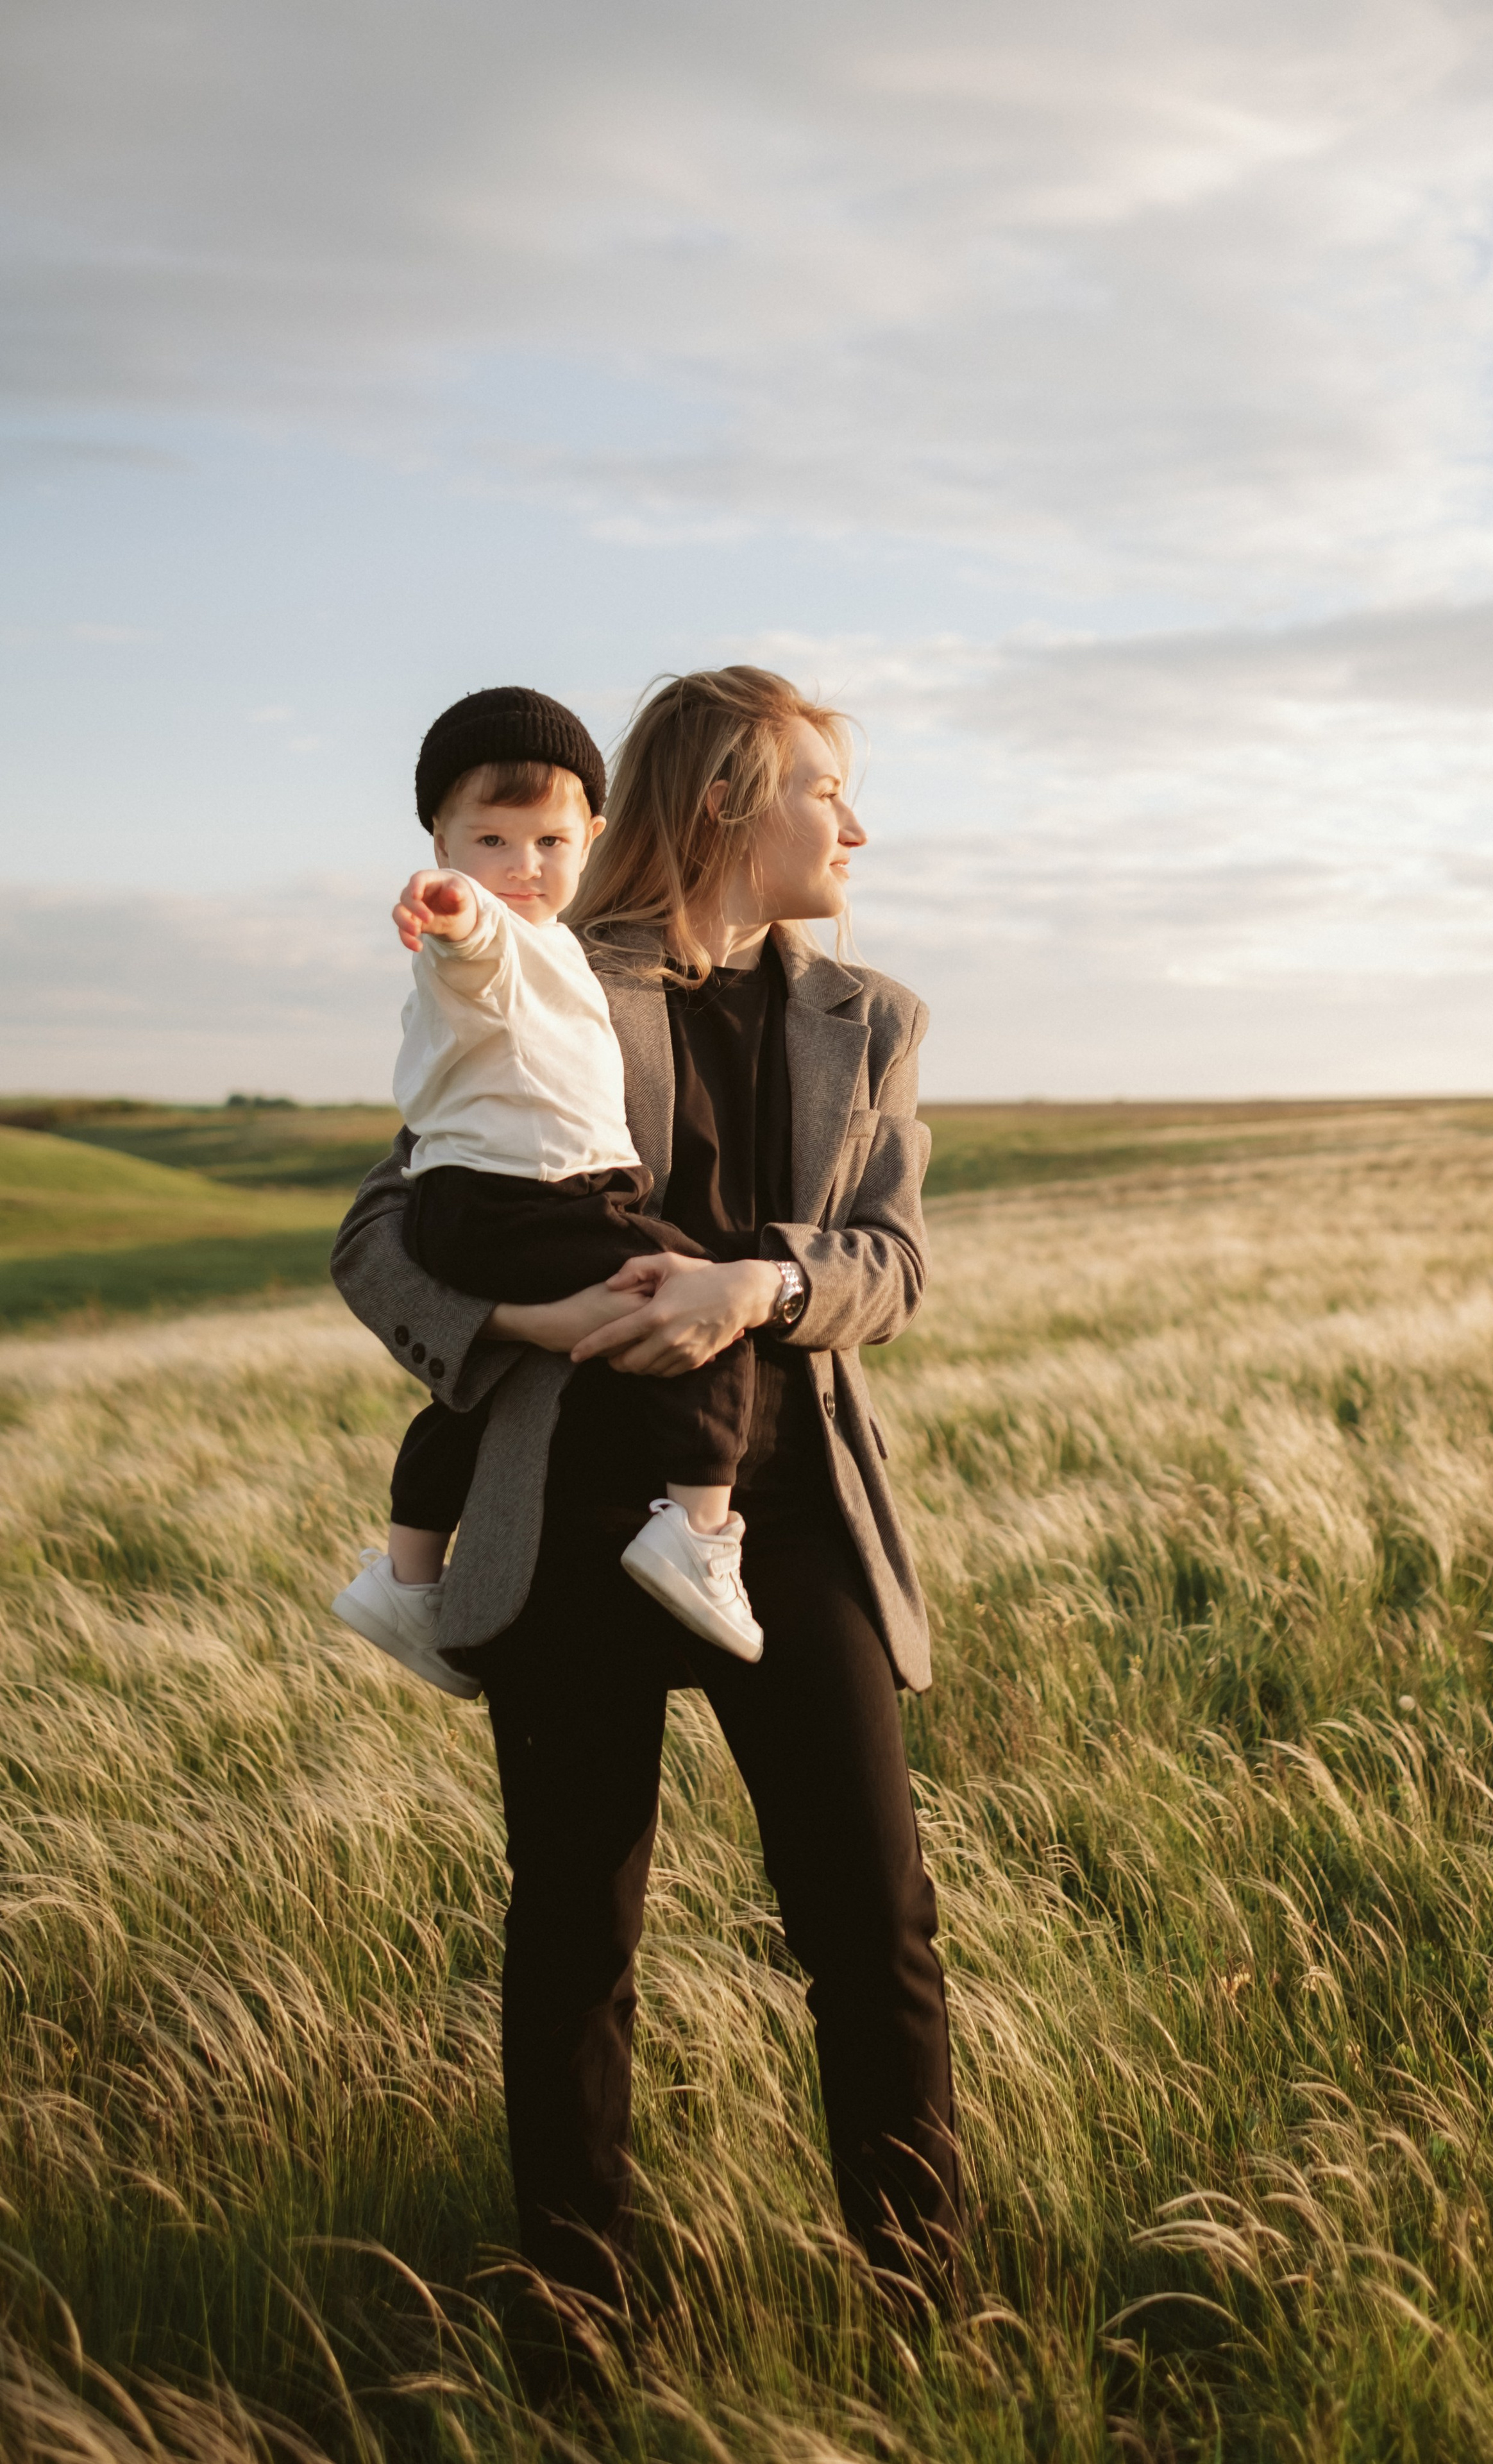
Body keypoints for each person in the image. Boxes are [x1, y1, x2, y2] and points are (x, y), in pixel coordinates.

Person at [330, 664, 961, 2311]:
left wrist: (748, 1289)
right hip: (566, 1513)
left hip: (794, 1518)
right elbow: (383, 1229)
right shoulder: (536, 966)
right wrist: (514, 1319)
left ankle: (925, 2300)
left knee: (872, 1928)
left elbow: (893, 1266)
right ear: (730, 804)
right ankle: (573, 2333)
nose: (856, 826)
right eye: (828, 791)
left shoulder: (873, 1018)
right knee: (575, 1946)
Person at [331, 684, 768, 1685]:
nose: (522, 867)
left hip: (496, 1200)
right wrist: (454, 909)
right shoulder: (483, 942)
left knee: (482, 1394)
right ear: (441, 843)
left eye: (550, 842)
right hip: (516, 1198)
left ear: (593, 837)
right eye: (489, 839)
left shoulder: (560, 944)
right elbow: (475, 944)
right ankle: (696, 1527)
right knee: (697, 1294)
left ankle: (403, 1580)